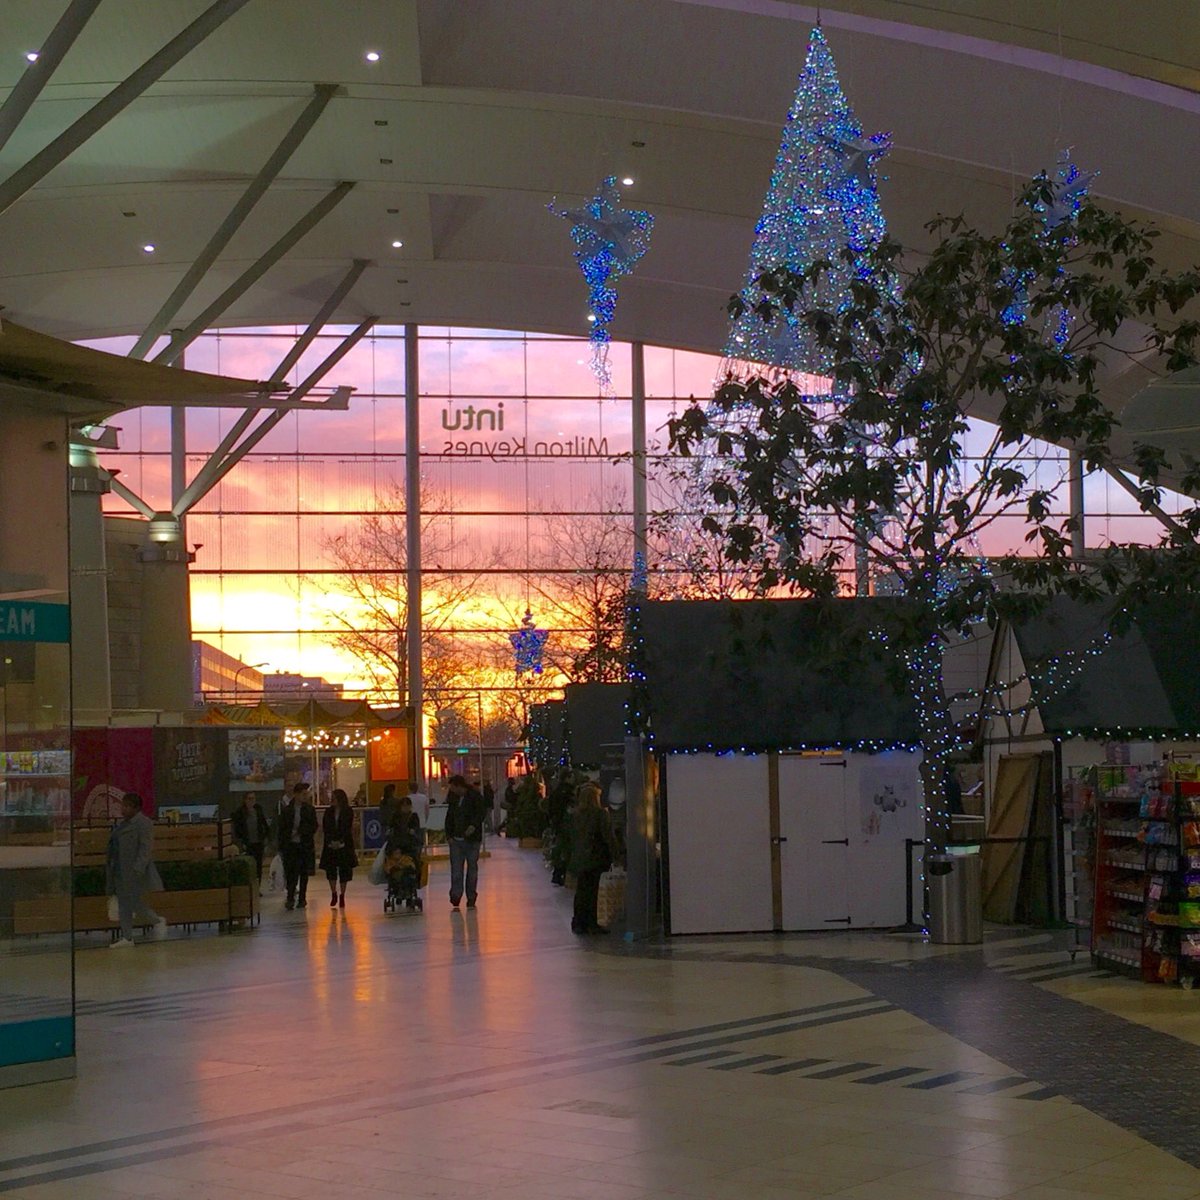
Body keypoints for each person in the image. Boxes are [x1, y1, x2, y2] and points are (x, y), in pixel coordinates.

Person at [105, 792, 167, 947]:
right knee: (124, 904)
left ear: (136, 808)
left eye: (126, 806)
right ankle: (127, 937)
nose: (123, 809)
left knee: (134, 902)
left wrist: (138, 868)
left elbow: (145, 848)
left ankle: (156, 920)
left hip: (133, 870)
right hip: (119, 868)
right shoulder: (122, 824)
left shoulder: (144, 823)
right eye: (122, 805)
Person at [570, 781, 617, 936]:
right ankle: (592, 923)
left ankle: (578, 922)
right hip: (597, 857)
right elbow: (607, 837)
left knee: (582, 890)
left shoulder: (576, 815)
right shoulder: (601, 814)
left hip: (580, 857)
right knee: (594, 891)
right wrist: (616, 854)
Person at [444, 774, 488, 909]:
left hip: (472, 840)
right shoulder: (453, 798)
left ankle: (471, 896)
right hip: (456, 839)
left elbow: (481, 813)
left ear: (459, 786)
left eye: (452, 787)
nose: (451, 790)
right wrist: (449, 835)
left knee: (472, 868)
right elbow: (449, 816)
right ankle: (456, 895)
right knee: (456, 869)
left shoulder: (475, 797)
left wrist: (473, 826)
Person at [276, 782, 317, 910]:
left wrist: (302, 832)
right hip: (291, 846)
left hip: (304, 845)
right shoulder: (287, 810)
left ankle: (302, 898)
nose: (305, 796)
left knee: (303, 873)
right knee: (291, 872)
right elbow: (281, 829)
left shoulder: (309, 809)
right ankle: (290, 897)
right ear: (297, 794)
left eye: (306, 794)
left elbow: (313, 826)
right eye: (303, 794)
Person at [319, 787, 358, 909]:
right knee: (331, 870)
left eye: (334, 798)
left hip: (344, 844)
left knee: (344, 870)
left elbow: (347, 828)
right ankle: (333, 892)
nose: (332, 800)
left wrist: (341, 840)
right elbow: (326, 828)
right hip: (330, 844)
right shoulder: (328, 812)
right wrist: (331, 841)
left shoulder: (348, 811)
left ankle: (342, 894)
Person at [230, 791, 270, 889]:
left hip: (258, 842)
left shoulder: (258, 809)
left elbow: (264, 824)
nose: (252, 801)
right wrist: (241, 842)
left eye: (253, 798)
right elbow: (238, 829)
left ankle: (257, 888)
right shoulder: (240, 812)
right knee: (248, 866)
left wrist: (266, 837)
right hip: (247, 844)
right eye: (249, 798)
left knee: (258, 866)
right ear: (245, 800)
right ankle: (250, 888)